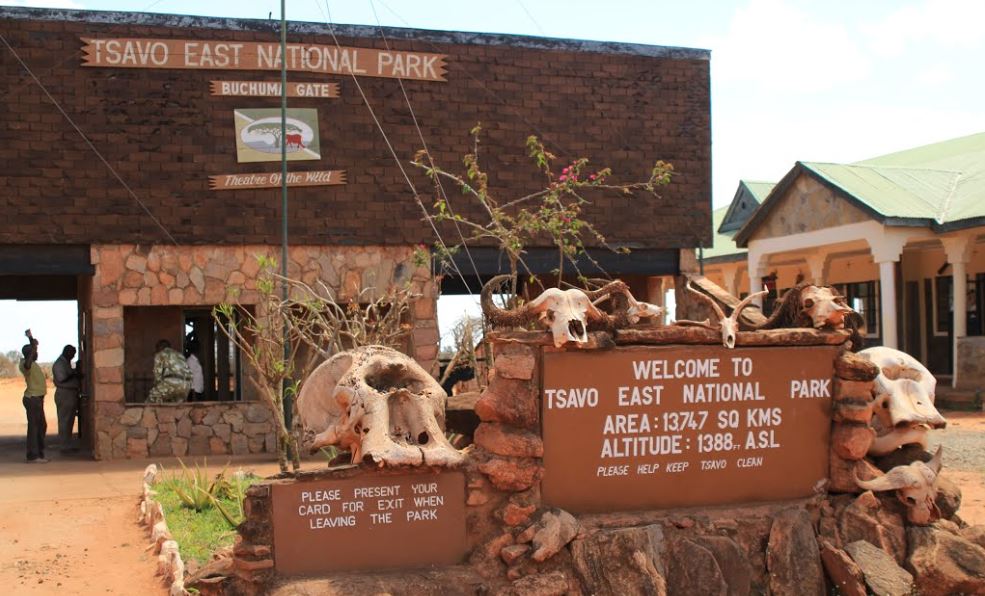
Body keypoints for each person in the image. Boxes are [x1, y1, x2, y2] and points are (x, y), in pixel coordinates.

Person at [20, 331, 48, 463]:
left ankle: (39, 452)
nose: (37, 353)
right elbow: (28, 362)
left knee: (41, 425)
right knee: (34, 426)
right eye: (34, 352)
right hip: (32, 399)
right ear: (29, 354)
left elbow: (32, 348)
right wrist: (33, 348)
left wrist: (31, 338)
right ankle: (33, 455)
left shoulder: (32, 362)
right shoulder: (26, 365)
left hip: (37, 399)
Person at [52, 344, 81, 453]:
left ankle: (67, 444)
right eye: (72, 354)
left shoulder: (66, 363)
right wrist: (74, 374)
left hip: (70, 394)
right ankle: (63, 446)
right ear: (67, 352)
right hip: (64, 394)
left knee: (69, 420)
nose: (73, 357)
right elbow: (62, 379)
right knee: (64, 420)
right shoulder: (59, 364)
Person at [148, 339, 193, 403]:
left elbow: (157, 376)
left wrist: (156, 387)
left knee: (152, 397)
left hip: (171, 383)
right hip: (186, 386)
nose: (156, 351)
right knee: (175, 404)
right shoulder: (180, 355)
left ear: (160, 347)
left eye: (157, 348)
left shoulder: (160, 354)